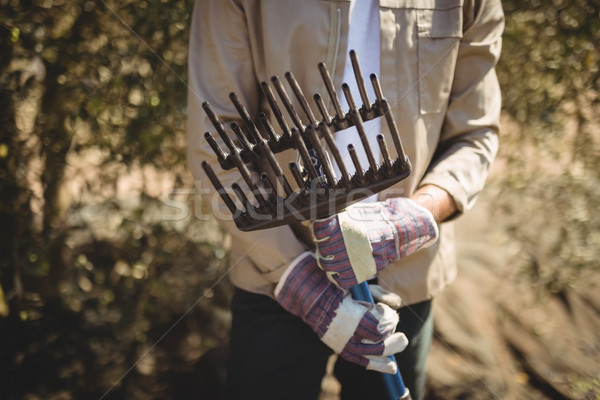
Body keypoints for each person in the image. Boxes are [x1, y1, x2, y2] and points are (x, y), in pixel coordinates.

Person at [186, 1, 504, 399]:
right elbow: (216, 139)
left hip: (404, 274)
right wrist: (295, 276)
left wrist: (413, 216)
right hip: (276, 274)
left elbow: (474, 136)